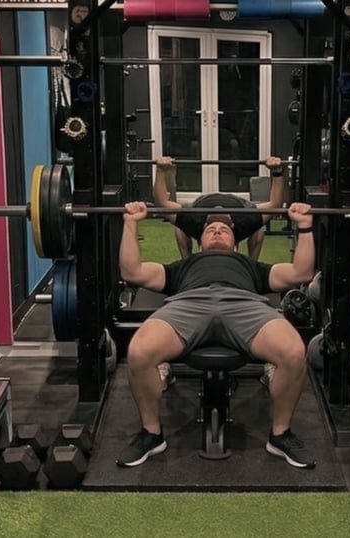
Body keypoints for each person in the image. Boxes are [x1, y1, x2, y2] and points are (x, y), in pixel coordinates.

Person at [117, 201, 316, 469]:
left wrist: (305, 227)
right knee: (139, 351)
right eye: (211, 230)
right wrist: (131, 223)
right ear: (199, 244)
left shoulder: (249, 266)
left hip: (244, 304)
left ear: (235, 245)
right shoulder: (183, 266)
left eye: (224, 229)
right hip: (189, 303)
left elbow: (301, 273)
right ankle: (151, 434)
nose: (218, 231)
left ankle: (281, 435)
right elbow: (132, 272)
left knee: (293, 352)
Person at [152, 156, 287, 260]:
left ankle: (187, 264)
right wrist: (277, 172)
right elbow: (275, 205)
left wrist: (160, 171)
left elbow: (161, 203)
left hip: (200, 203)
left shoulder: (194, 220)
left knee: (180, 227)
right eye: (223, 231)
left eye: (212, 231)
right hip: (240, 204)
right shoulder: (245, 220)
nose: (217, 232)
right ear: (234, 243)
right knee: (258, 228)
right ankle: (252, 266)